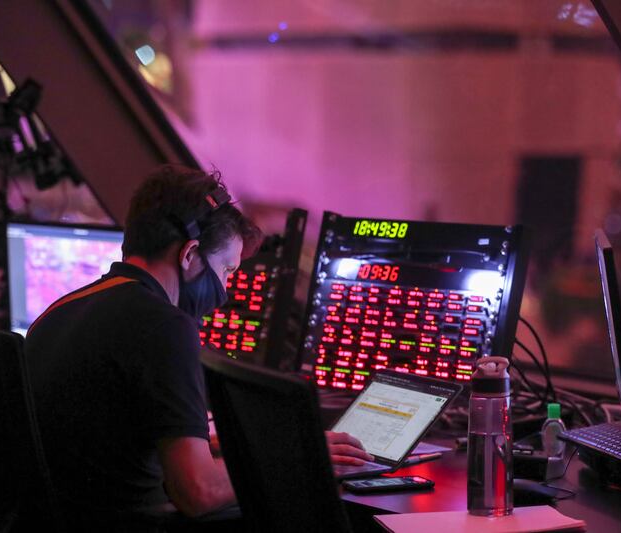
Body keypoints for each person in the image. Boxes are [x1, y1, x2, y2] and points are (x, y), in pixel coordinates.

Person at [25, 165, 372, 528]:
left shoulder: (59, 310)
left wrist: (247, 445)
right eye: (226, 272)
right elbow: (198, 491)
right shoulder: (165, 325)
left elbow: (122, 435)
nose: (223, 293)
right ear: (190, 255)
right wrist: (298, 458)